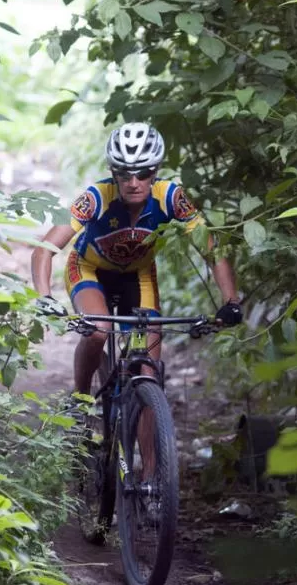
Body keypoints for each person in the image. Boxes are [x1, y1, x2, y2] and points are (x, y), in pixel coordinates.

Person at [30, 121, 243, 401]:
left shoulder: (171, 197)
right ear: (113, 173)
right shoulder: (96, 197)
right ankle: (80, 400)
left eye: (143, 174)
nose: (133, 183)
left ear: (155, 171)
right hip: (89, 270)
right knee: (98, 332)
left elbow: (211, 251)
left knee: (147, 366)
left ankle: (148, 416)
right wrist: (44, 297)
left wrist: (231, 301)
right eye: (124, 174)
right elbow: (44, 249)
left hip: (137, 277)